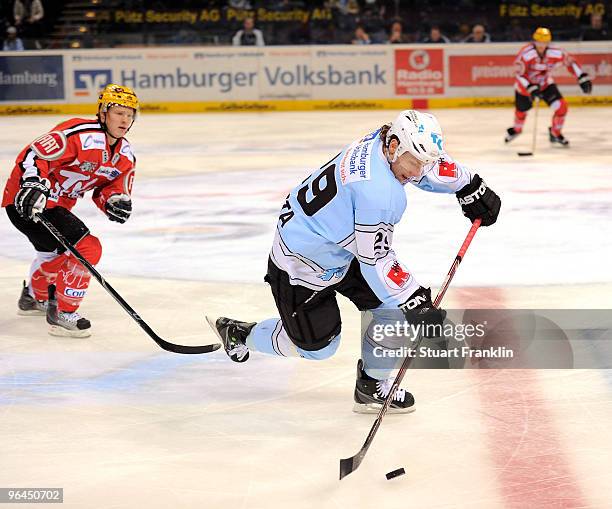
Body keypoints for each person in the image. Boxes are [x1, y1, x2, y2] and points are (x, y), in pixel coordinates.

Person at [208, 110, 501, 413]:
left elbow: (426, 162)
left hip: (340, 245)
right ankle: (241, 333)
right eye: (414, 162)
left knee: (392, 312)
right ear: (394, 145)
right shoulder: (379, 193)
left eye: (421, 161)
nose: (417, 172)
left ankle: (370, 386)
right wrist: (414, 300)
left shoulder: (383, 140)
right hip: (301, 262)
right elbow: (376, 259)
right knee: (319, 348)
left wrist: (469, 184)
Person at [1, 84, 139, 338]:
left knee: (54, 256)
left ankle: (33, 297)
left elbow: (111, 185)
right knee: (88, 248)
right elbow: (34, 155)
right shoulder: (79, 134)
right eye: (119, 112)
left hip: (56, 207)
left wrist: (114, 199)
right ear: (103, 112)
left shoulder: (125, 155)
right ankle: (63, 313)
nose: (125, 119)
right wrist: (33, 183)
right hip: (28, 202)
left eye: (130, 114)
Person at [504, 27, 593, 147]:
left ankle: (555, 133)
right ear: (534, 41)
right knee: (521, 110)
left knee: (562, 107)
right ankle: (517, 129)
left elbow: (570, 62)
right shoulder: (526, 54)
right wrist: (530, 87)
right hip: (525, 87)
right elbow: (519, 74)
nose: (541, 45)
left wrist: (581, 77)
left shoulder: (555, 51)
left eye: (544, 42)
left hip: (545, 84)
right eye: (539, 42)